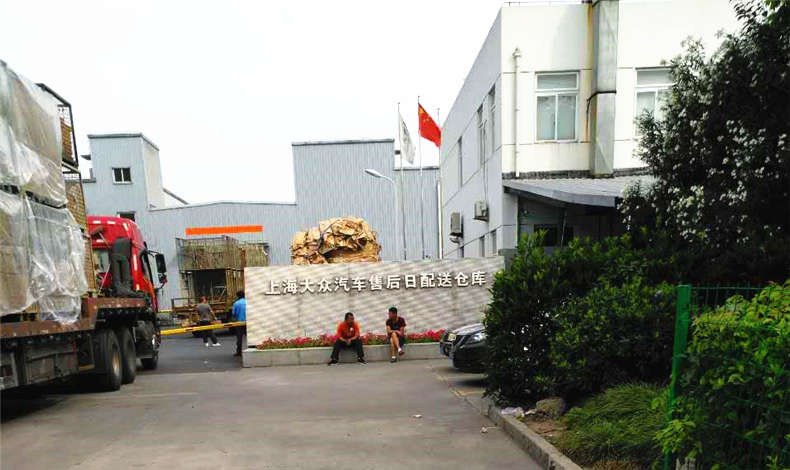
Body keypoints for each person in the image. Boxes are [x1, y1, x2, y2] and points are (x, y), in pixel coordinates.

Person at [232, 290, 246, 357]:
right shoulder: (248, 302)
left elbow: (233, 314)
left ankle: (239, 352)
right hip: (249, 322)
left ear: (237, 296)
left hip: (239, 323)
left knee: (239, 338)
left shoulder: (236, 303)